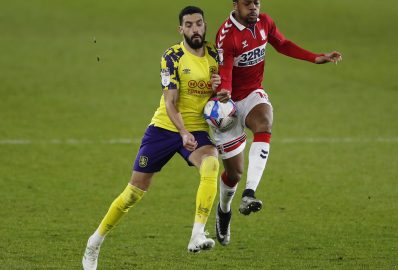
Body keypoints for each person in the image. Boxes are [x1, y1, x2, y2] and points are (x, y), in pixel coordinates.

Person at [82, 6, 225, 270]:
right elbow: (170, 102)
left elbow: (219, 98)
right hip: (164, 129)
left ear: (205, 26)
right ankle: (95, 242)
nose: (195, 29)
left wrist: (219, 92)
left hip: (198, 130)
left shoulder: (216, 56)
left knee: (212, 165)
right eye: (189, 25)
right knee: (133, 193)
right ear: (181, 29)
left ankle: (197, 233)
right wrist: (182, 132)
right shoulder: (172, 56)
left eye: (199, 24)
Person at [213, 0, 343, 246]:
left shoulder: (264, 22)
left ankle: (249, 194)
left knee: (264, 123)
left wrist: (316, 58)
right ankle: (224, 210)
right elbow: (225, 69)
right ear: (235, 4)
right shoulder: (226, 36)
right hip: (227, 105)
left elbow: (282, 44)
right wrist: (225, 91)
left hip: (252, 94)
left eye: (257, 2)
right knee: (234, 173)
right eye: (248, 3)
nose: (254, 7)